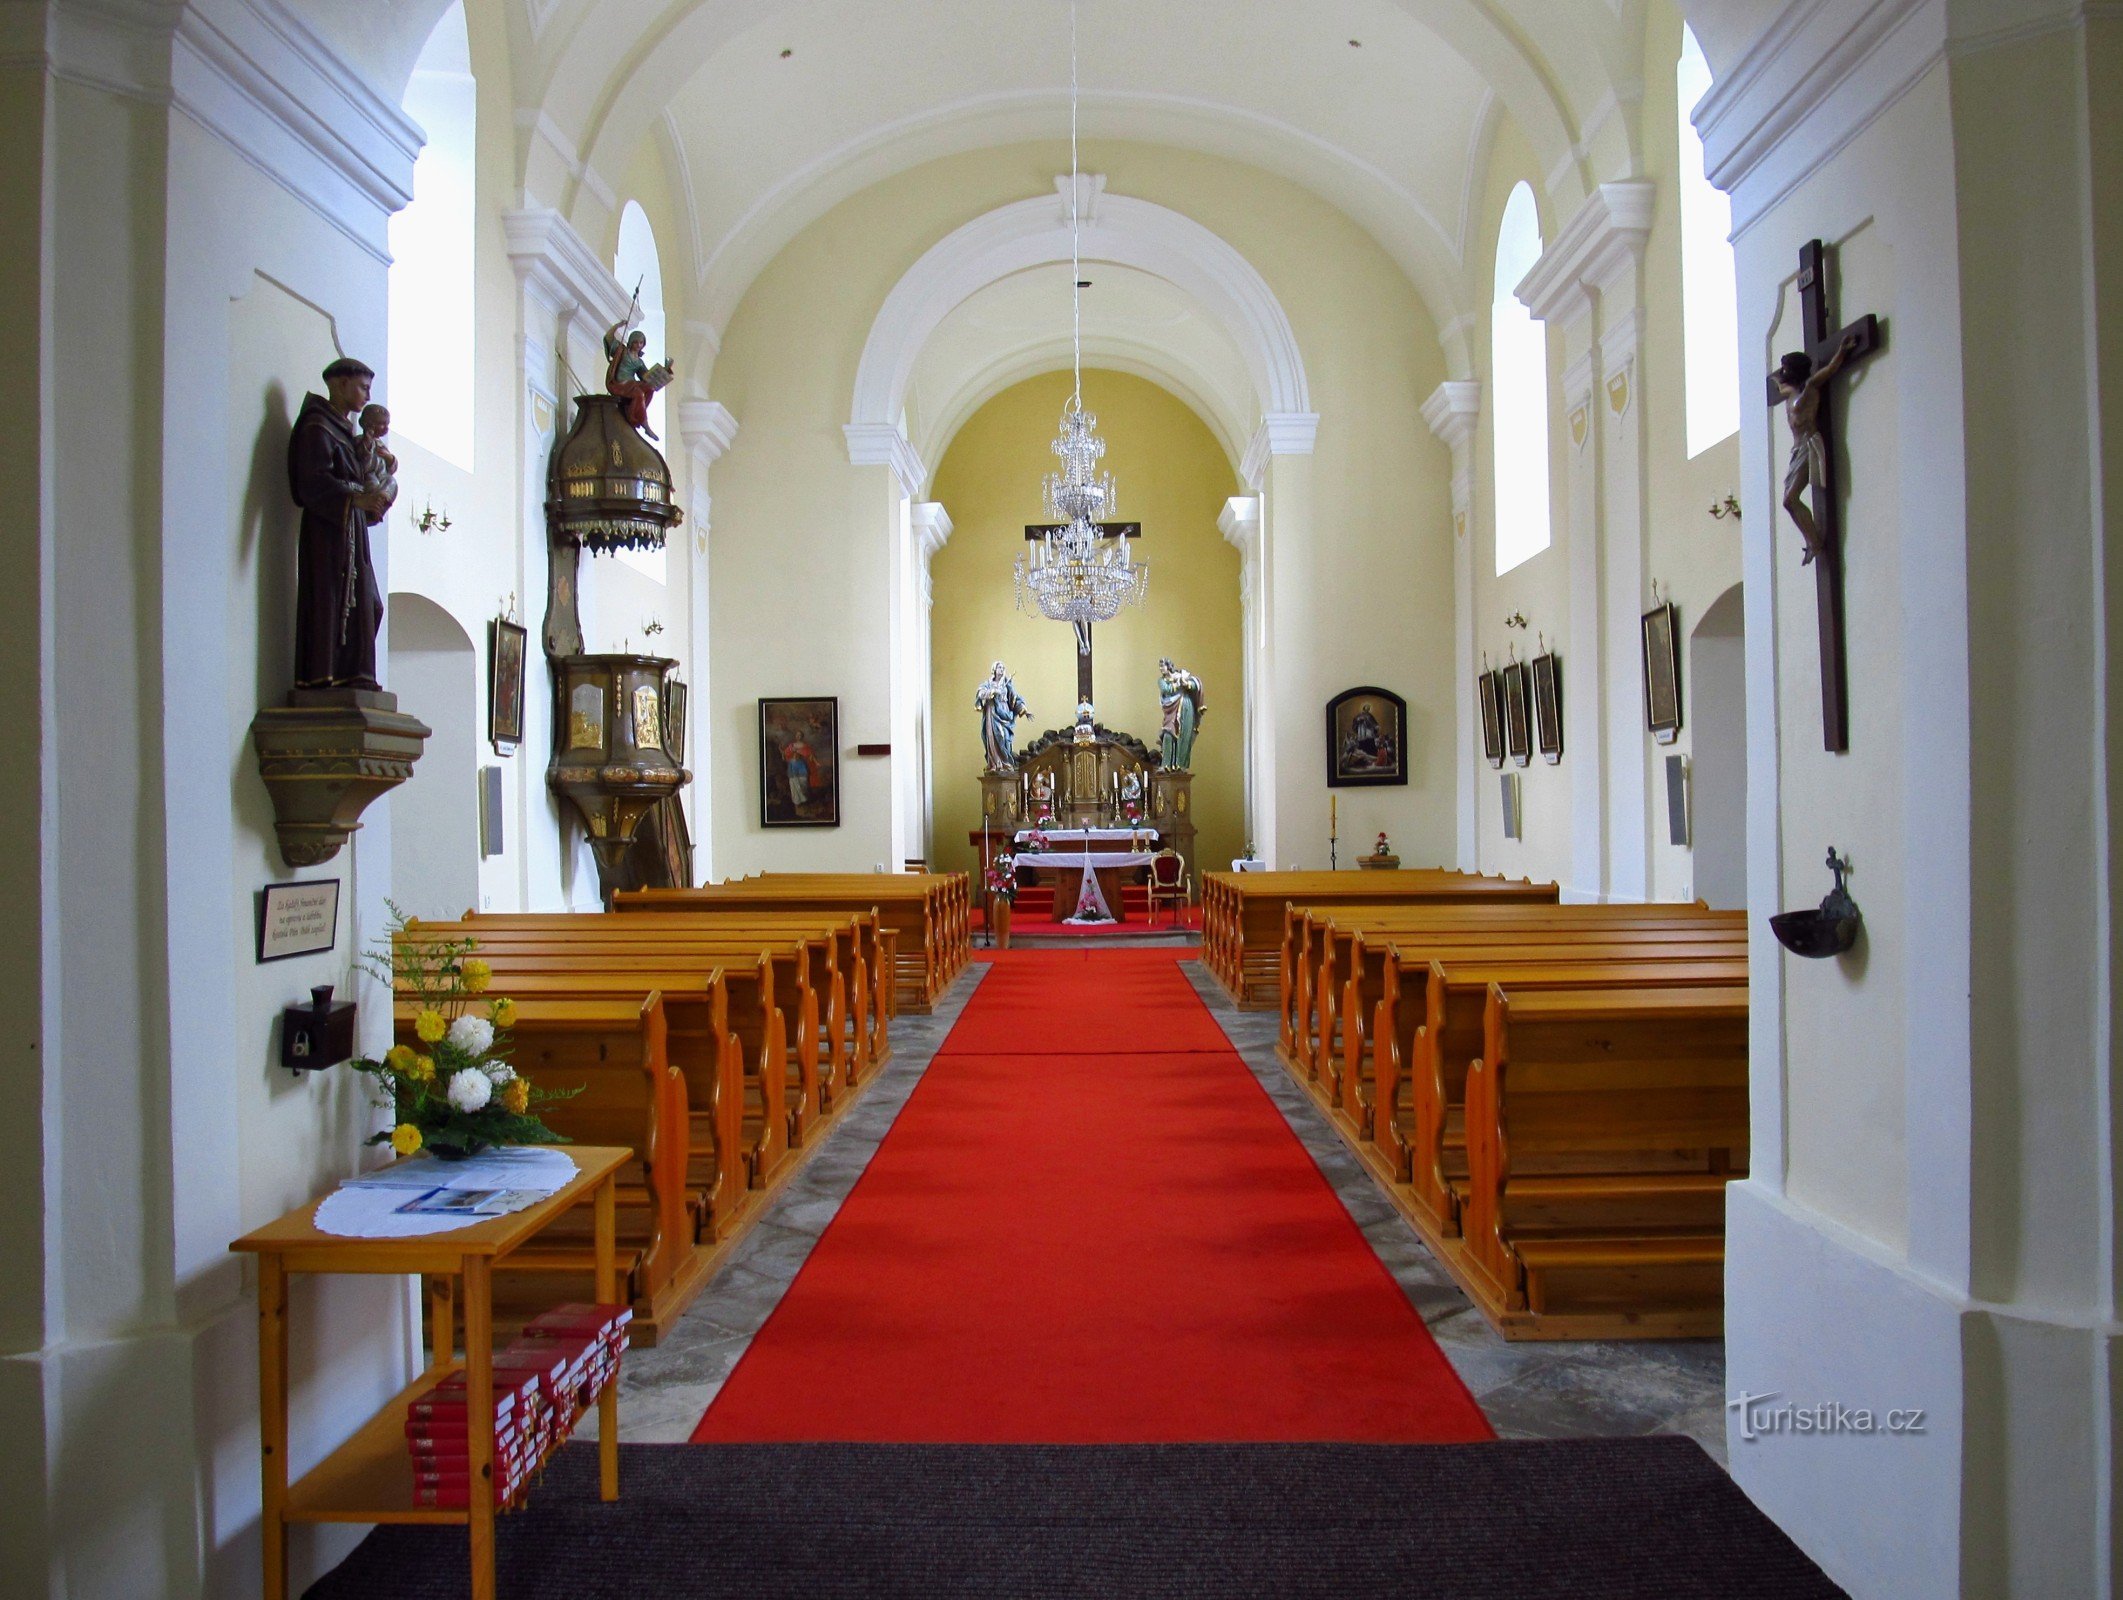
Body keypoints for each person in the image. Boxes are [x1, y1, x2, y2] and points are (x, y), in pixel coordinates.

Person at [288, 358, 394, 691]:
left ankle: (355, 675)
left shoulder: (348, 433)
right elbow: (311, 482)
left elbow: (364, 476)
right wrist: (356, 500)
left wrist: (375, 498)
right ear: (339, 384)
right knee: (333, 602)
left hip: (351, 529)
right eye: (362, 387)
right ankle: (328, 676)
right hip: (328, 535)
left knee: (370, 605)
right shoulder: (317, 426)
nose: (366, 395)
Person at [1774, 333, 1861, 565]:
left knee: (1789, 500)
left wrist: (1842, 350)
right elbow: (1775, 382)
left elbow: (1831, 369)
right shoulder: (1789, 393)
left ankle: (1814, 543)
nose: (1782, 375)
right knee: (1788, 501)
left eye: (1785, 370)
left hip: (1809, 445)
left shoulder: (1809, 388)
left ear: (1795, 371)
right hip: (1796, 451)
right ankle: (1813, 541)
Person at [604, 316, 675, 438]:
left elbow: (646, 377)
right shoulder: (622, 351)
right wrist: (618, 326)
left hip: (631, 383)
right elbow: (608, 338)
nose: (638, 345)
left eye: (641, 343)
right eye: (636, 342)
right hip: (619, 384)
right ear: (631, 341)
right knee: (638, 393)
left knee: (650, 388)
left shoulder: (639, 362)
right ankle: (644, 424)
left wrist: (665, 369)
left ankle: (635, 413)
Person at [974, 661, 1030, 771]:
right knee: (994, 736)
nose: (1002, 669)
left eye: (1003, 668)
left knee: (1004, 737)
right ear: (994, 669)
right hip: (992, 711)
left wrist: (1023, 710)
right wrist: (993, 691)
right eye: (999, 667)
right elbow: (980, 693)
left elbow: (1015, 698)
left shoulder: (1007, 684)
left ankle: (1006, 762)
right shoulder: (988, 684)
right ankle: (995, 763)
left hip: (1004, 712)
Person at [1157, 657, 1206, 770]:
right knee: (1168, 735)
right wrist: (1180, 683)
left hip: (1185, 706)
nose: (1161, 669)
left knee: (1185, 735)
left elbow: (1195, 685)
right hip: (1171, 710)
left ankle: (1181, 765)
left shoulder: (1181, 674)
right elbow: (1167, 689)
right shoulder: (1162, 680)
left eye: (1162, 666)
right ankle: (1167, 765)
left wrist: (1187, 683)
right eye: (1160, 666)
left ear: (1168, 666)